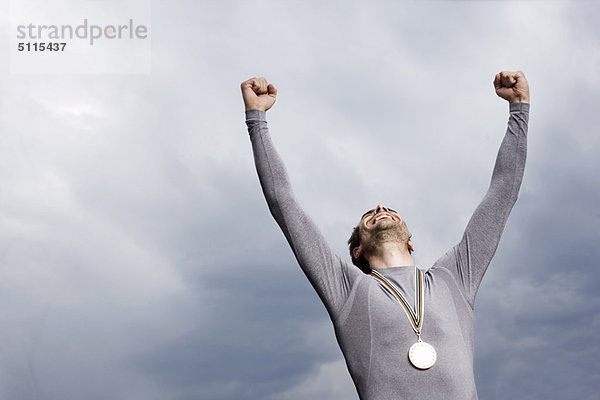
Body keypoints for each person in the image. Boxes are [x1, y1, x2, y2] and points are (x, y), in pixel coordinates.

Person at [241, 71, 529, 399]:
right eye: (368, 217)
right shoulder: (347, 289)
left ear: (410, 241)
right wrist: (257, 119)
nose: (379, 206)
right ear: (358, 252)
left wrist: (519, 108)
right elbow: (284, 204)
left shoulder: (454, 278)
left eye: (388, 208)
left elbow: (503, 191)